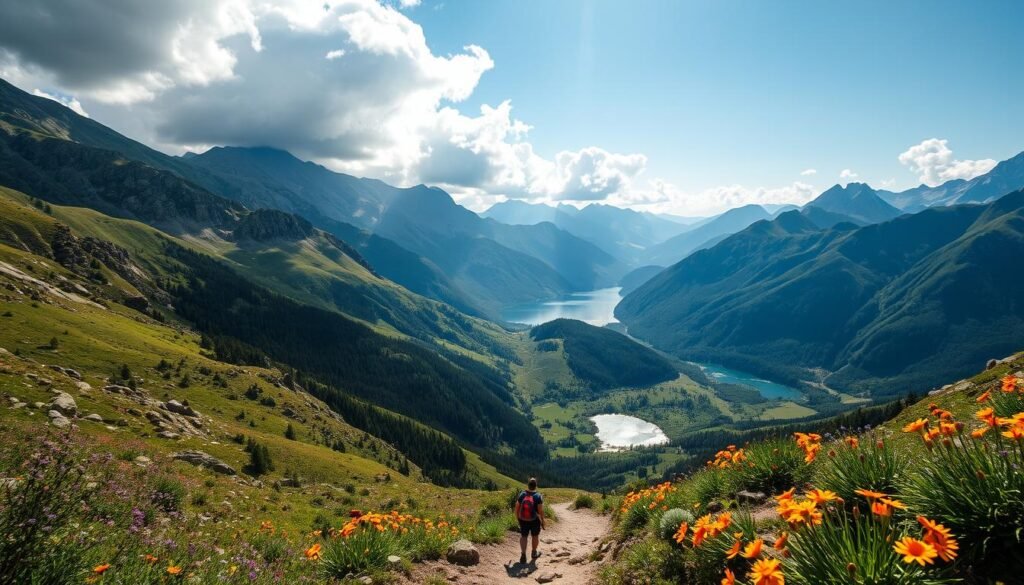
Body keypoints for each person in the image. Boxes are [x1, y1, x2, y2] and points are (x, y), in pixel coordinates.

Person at [515, 477, 545, 564]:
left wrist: (518, 518)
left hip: (523, 519)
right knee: (535, 536)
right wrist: (543, 520)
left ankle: (523, 554)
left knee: (524, 536)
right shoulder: (538, 496)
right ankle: (534, 552)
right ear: (536, 486)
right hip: (534, 520)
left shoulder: (522, 494)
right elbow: (540, 511)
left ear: (528, 485)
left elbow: (516, 508)